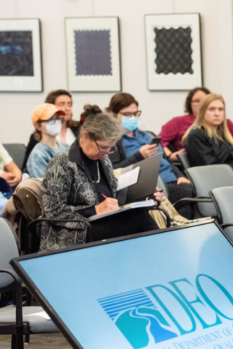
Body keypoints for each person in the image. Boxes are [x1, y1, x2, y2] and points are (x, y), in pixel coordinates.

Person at [40, 105, 163, 252]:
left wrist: (146, 196)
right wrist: (95, 210)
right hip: (73, 233)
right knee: (141, 222)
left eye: (111, 148)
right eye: (103, 147)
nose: (107, 153)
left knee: (140, 216)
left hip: (103, 223)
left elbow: (117, 197)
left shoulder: (103, 161)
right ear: (85, 136)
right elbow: (53, 211)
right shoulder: (61, 163)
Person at [105, 93, 194, 216]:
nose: (132, 117)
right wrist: (140, 156)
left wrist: (179, 176)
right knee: (188, 193)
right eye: (127, 114)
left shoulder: (148, 135)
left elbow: (165, 160)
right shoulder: (114, 141)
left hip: (172, 180)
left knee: (195, 189)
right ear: (114, 115)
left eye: (135, 114)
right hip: (153, 185)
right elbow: (114, 170)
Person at [183, 94, 233, 185]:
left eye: (220, 109)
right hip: (214, 185)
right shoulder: (196, 135)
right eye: (212, 109)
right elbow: (212, 171)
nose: (217, 113)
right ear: (202, 112)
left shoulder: (222, 134)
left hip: (230, 182)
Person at [159, 87, 233, 159]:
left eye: (204, 99)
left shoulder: (224, 123)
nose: (201, 103)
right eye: (197, 100)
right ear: (190, 103)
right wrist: (170, 155)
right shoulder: (179, 122)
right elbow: (160, 140)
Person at [22, 89, 81, 170]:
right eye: (62, 104)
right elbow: (28, 168)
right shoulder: (38, 150)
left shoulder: (80, 130)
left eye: (69, 104)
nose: (67, 108)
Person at [26, 103, 69, 178]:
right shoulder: (38, 155)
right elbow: (44, 185)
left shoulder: (66, 147)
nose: (57, 122)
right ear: (38, 126)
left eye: (58, 119)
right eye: (51, 120)